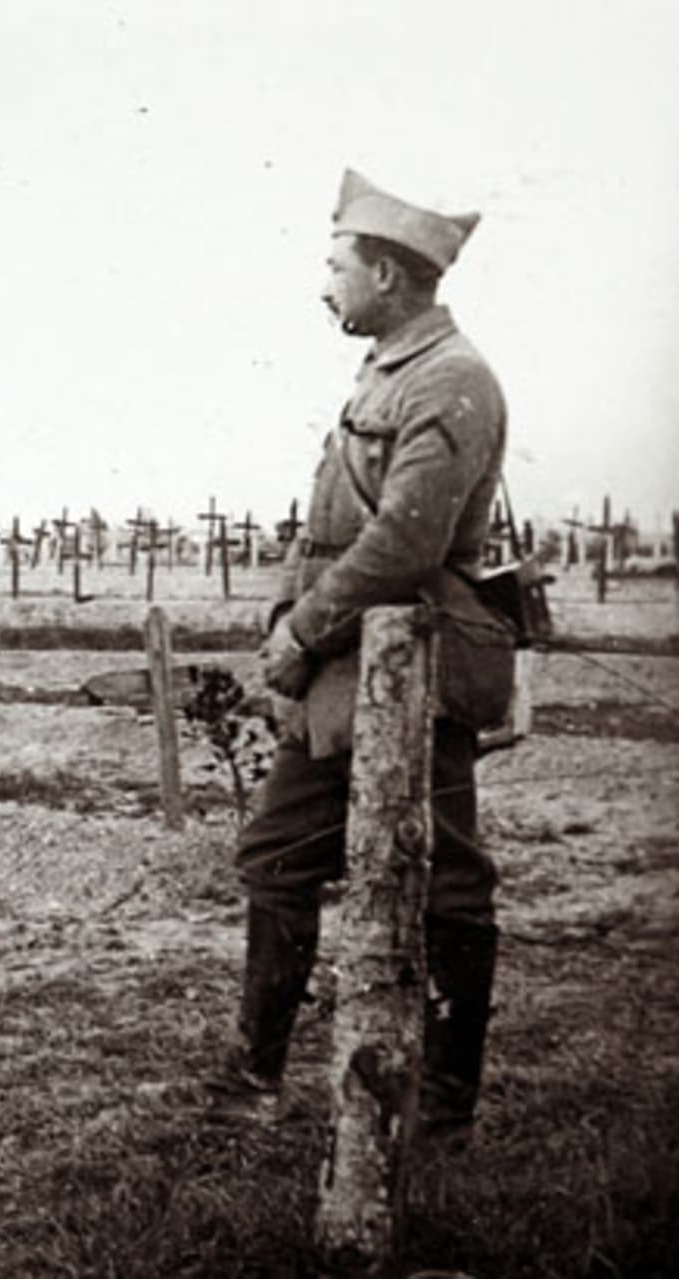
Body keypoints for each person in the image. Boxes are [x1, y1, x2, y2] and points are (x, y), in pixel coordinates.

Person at [212, 170, 514, 1140]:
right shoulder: (389, 368)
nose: (325, 284)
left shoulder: (451, 379)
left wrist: (301, 632)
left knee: (447, 876)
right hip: (350, 665)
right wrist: (285, 615)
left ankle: (444, 1110)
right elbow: (333, 531)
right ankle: (255, 1078)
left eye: (336, 266)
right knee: (276, 852)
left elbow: (404, 545)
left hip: (410, 663)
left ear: (387, 272)